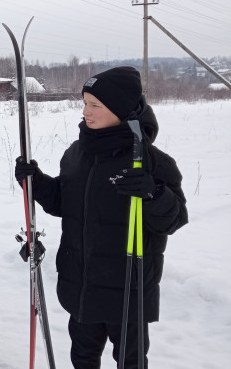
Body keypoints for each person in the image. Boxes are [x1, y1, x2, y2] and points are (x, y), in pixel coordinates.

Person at [14, 66, 188, 369]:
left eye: (95, 105)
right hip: (82, 283)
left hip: (128, 289)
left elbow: (173, 219)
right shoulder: (76, 154)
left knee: (130, 361)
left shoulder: (151, 162)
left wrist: (154, 193)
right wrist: (37, 182)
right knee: (82, 357)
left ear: (120, 110)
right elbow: (65, 203)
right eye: (84, 102)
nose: (86, 112)